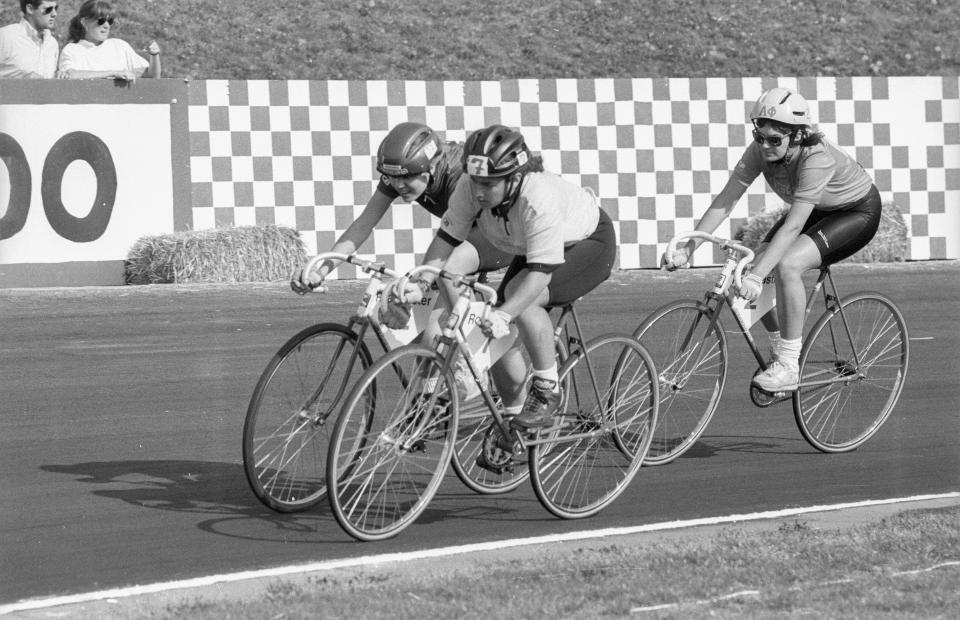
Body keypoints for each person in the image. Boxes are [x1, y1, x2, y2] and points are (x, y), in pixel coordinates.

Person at [389, 124, 617, 428]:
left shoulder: (537, 199)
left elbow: (539, 277)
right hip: (530, 244)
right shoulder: (469, 187)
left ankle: (548, 389)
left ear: (515, 179)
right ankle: (513, 424)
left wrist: (505, 314)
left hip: (588, 243)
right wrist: (420, 283)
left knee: (523, 304)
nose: (479, 192)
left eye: (489, 184)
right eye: (476, 182)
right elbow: (445, 240)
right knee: (498, 337)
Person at [662, 87, 882, 393]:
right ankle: (780, 347)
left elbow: (792, 228)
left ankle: (789, 366)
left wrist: (758, 275)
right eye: (759, 136)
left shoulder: (816, 158)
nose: (764, 145)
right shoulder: (759, 152)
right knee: (750, 265)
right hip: (817, 209)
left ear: (798, 136)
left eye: (774, 140)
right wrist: (689, 248)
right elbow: (726, 202)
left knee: (787, 265)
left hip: (856, 212)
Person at [291, 121, 512, 293]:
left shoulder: (459, 176)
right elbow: (363, 225)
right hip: (466, 239)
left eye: (406, 178)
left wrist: (427, 280)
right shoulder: (402, 171)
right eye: (391, 177)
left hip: (502, 234)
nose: (398, 185)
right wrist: (321, 271)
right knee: (429, 330)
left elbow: (460, 236)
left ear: (431, 168)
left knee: (444, 292)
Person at [57, 0, 161, 80]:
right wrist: (113, 73)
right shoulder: (72, 50)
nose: (106, 26)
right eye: (101, 21)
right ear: (84, 22)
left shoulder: (120, 46)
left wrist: (155, 56)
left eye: (110, 21)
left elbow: (152, 77)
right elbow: (69, 75)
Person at [0, 0, 60, 79]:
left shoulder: (52, 44)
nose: (54, 14)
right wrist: (21, 82)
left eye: (56, 8)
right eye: (48, 9)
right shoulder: (6, 36)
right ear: (30, 9)